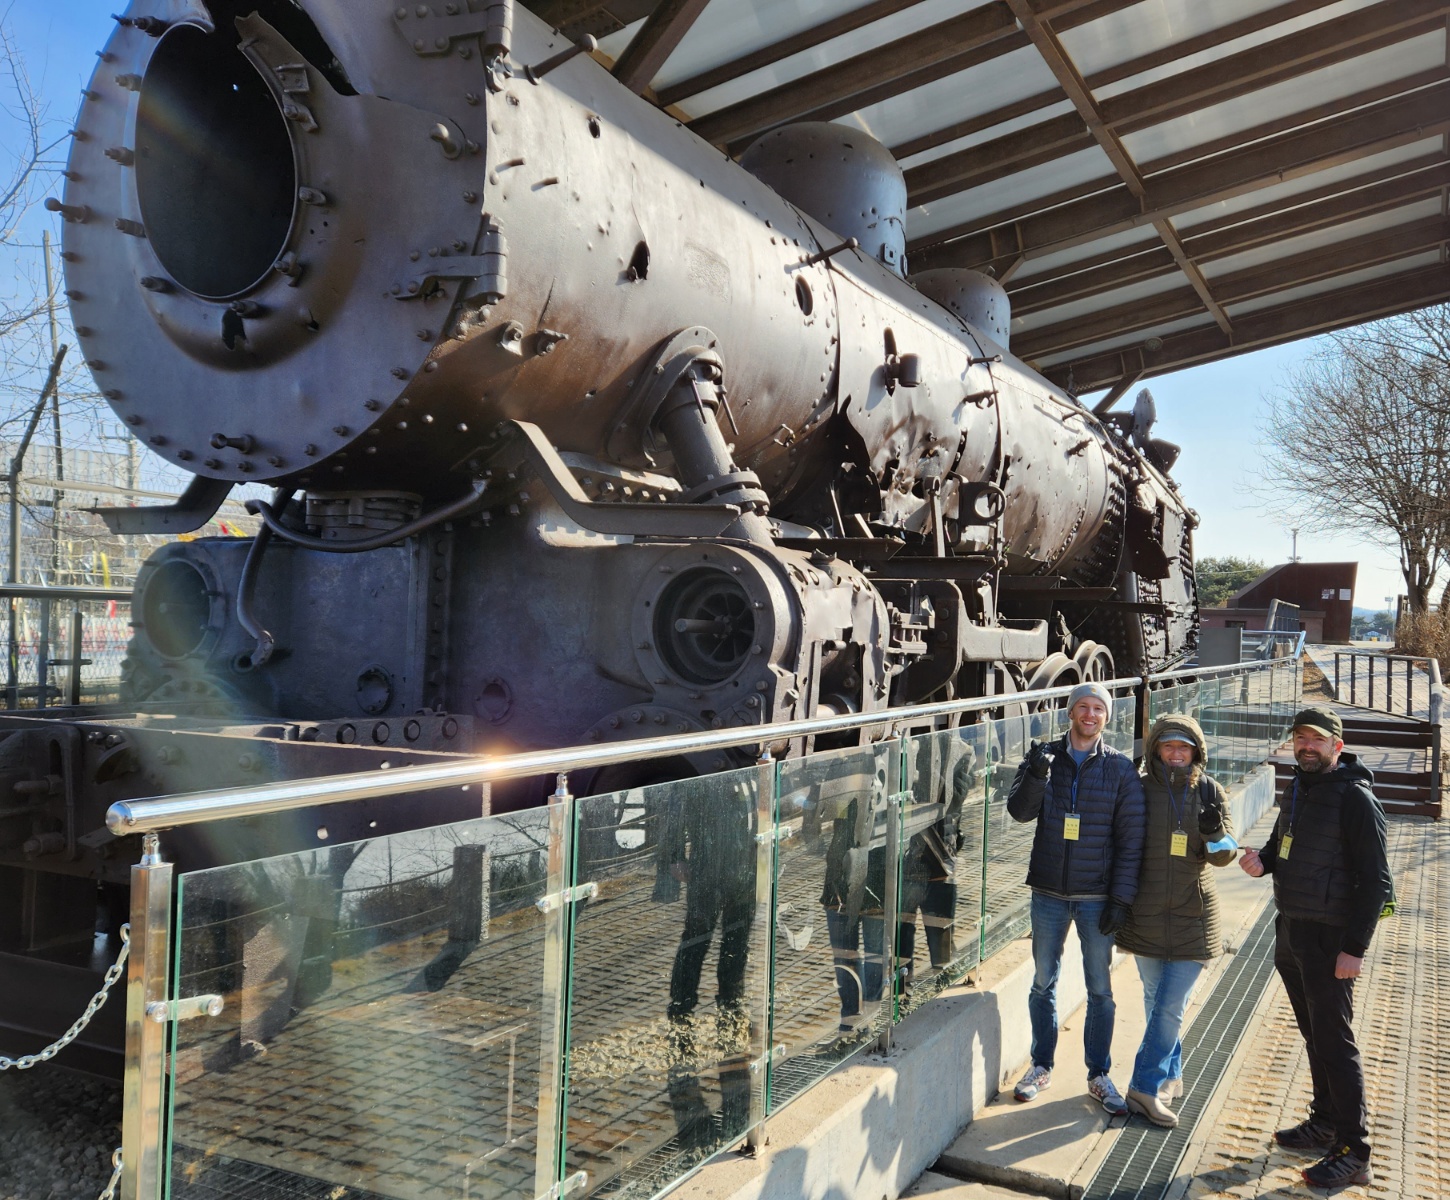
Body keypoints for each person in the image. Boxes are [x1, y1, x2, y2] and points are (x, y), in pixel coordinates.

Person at [1240, 706, 1391, 1191]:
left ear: (1336, 747)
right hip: (1292, 929)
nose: (1307, 746)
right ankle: (1324, 1122)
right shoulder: (1298, 786)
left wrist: (1355, 948)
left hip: (1331, 941)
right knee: (1314, 1037)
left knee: (1336, 1043)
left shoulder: (1356, 799)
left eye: (1317, 739)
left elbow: (1377, 881)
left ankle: (1355, 1151)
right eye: (1300, 738)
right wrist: (1262, 861)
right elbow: (1280, 842)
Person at [1007, 681, 1145, 1115]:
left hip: (1095, 897)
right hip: (1047, 892)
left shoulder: (1120, 769)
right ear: (1070, 713)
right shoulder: (1044, 756)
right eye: (1082, 707)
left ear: (1107, 716)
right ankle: (1041, 1065)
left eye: (1097, 709)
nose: (1089, 715)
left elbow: (1131, 840)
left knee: (1100, 989)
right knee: (1042, 981)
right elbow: (1018, 812)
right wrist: (1035, 774)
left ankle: (1098, 1075)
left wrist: (1120, 899)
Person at [1114, 714, 1236, 1128]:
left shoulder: (1210, 790)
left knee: (1169, 1008)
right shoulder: (1138, 787)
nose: (1177, 754)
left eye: (1184, 747)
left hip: (1193, 916)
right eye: (1169, 746)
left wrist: (1214, 830)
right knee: (1155, 1002)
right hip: (1144, 915)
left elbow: (1224, 856)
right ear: (1156, 750)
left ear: (1196, 751)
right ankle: (1171, 1076)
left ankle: (1142, 1089)